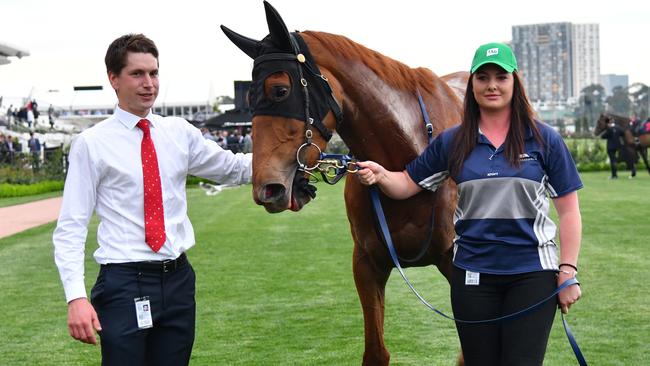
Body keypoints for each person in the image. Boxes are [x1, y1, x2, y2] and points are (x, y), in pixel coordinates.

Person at [356, 42, 583, 366]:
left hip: (531, 275)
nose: (492, 84)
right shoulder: (453, 141)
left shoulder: (544, 139)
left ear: (514, 83)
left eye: (501, 76)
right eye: (483, 77)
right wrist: (380, 175)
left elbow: (569, 211)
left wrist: (568, 271)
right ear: (473, 84)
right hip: (473, 277)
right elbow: (407, 184)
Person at [52, 33, 252, 366]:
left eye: (154, 73)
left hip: (178, 281)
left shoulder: (179, 132)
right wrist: (75, 296)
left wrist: (294, 161)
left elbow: (232, 168)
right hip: (124, 283)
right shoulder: (92, 143)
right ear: (113, 79)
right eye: (137, 74)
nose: (149, 83)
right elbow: (71, 225)